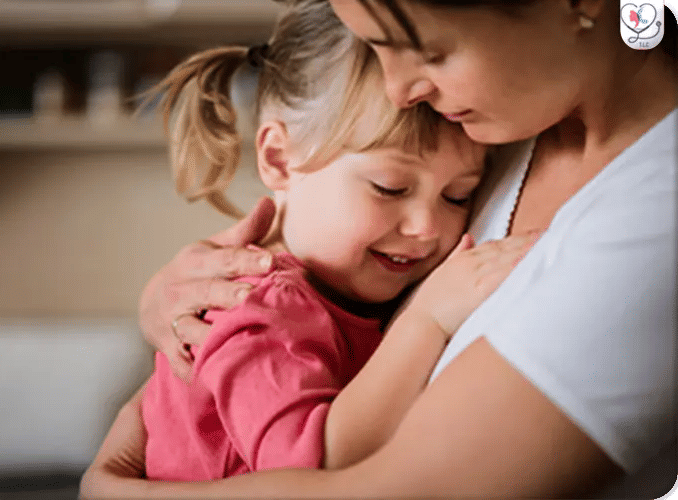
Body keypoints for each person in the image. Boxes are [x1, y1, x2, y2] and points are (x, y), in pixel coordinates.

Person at [81, 0, 677, 498]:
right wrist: (168, 300)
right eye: (377, 47)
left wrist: (117, 491)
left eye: (430, 50)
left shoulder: (649, 208)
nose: (401, 90)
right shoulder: (497, 121)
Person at [134, 0, 529, 482]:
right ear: (278, 160)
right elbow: (313, 469)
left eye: (458, 195)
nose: (428, 227)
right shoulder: (260, 309)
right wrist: (426, 321)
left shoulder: (349, 289)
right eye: (390, 187)